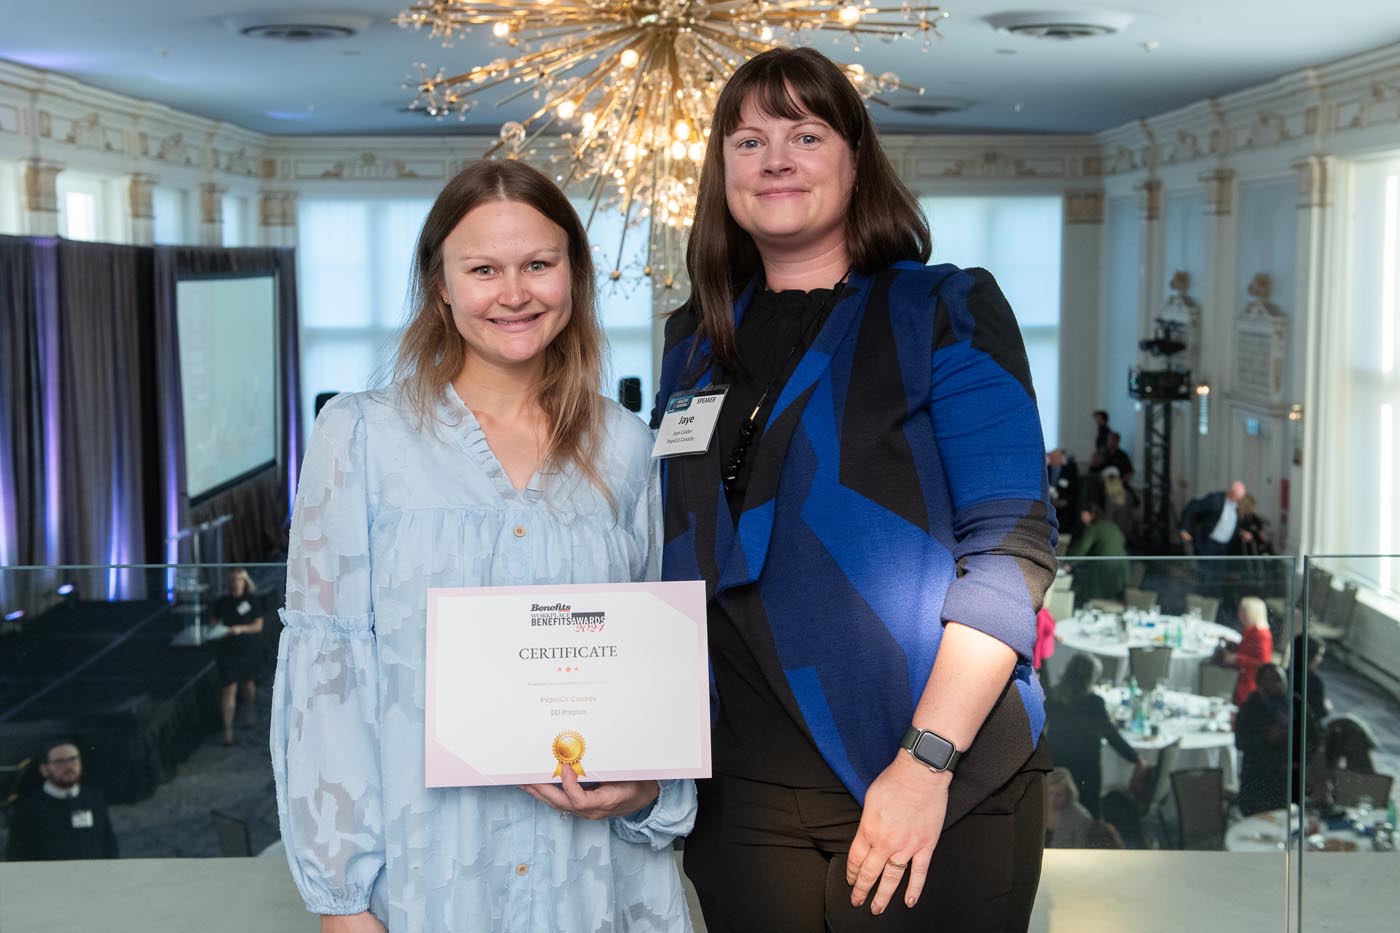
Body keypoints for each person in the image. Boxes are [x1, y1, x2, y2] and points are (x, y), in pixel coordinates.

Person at [654, 47, 1058, 931]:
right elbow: (675, 545)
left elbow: (1012, 547)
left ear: (856, 158)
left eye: (806, 135)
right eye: (749, 141)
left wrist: (925, 761)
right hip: (743, 795)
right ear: (722, 171)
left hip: (931, 781)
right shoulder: (694, 341)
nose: (777, 160)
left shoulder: (940, 310)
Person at [271, 160, 696, 932]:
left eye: (538, 264)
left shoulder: (628, 445)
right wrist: (341, 898)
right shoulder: (360, 436)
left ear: (574, 274)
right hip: (433, 874)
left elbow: (654, 667)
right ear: (440, 284)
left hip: (595, 877)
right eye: (483, 270)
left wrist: (650, 791)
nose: (514, 293)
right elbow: (327, 671)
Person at [1044, 653, 1143, 818]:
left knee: (1058, 812)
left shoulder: (1053, 696)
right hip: (1086, 769)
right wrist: (1135, 758)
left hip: (1058, 766)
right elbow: (1112, 736)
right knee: (1090, 815)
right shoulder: (1094, 703)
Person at [5, 740, 119, 861]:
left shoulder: (94, 798)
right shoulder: (27, 809)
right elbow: (17, 859)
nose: (68, 766)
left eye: (73, 759)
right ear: (44, 769)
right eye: (60, 761)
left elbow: (110, 847)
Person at [209, 567, 264, 745]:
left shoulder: (252, 601)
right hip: (227, 649)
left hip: (247, 647)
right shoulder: (222, 602)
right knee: (229, 687)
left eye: (239, 579)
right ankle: (228, 732)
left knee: (248, 684)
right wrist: (220, 629)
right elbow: (213, 623)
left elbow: (258, 625)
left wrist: (241, 629)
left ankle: (249, 711)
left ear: (245, 582)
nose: (235, 583)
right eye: (232, 580)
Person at [1235, 663, 1289, 815]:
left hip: (1288, 777)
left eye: (1281, 679)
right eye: (1273, 680)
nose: (1279, 684)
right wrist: (1267, 739)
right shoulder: (1250, 708)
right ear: (1261, 685)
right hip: (1259, 779)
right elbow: (1241, 742)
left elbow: (1312, 737)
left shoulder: (1294, 704)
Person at [1064, 504, 1130, 604]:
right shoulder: (1112, 526)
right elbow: (1122, 541)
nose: (1082, 518)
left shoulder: (1093, 528)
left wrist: (1069, 564)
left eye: (1084, 515)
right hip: (1122, 568)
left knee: (1090, 591)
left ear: (1091, 514)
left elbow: (1082, 549)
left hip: (1104, 568)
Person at [1044, 767, 1122, 849]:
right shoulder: (1037, 810)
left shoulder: (1080, 817)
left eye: (1059, 795)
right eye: (1049, 793)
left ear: (1069, 794)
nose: (1052, 800)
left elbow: (1081, 849)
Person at [1216, 595, 1274, 706]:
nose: (1240, 613)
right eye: (1240, 610)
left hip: (1252, 680)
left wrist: (1237, 659)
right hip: (1242, 674)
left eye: (1244, 610)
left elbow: (1264, 663)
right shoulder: (1250, 629)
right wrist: (1231, 644)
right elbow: (1247, 650)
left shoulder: (1262, 634)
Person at [1046, 448, 1081, 537]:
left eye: (1055, 457)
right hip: (1049, 506)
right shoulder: (1046, 470)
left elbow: (1075, 490)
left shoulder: (1070, 471)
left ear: (1061, 458)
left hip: (1065, 509)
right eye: (1051, 457)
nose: (1052, 459)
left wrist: (1067, 501)